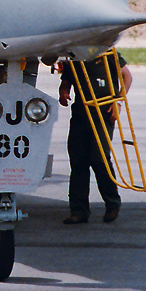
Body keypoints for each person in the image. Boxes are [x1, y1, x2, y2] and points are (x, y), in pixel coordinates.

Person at [58, 53, 133, 225]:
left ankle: (112, 203)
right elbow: (67, 81)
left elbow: (127, 76)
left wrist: (118, 101)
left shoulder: (108, 53)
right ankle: (78, 210)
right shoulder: (76, 55)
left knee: (99, 159)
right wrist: (63, 92)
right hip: (80, 114)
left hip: (103, 112)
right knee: (78, 162)